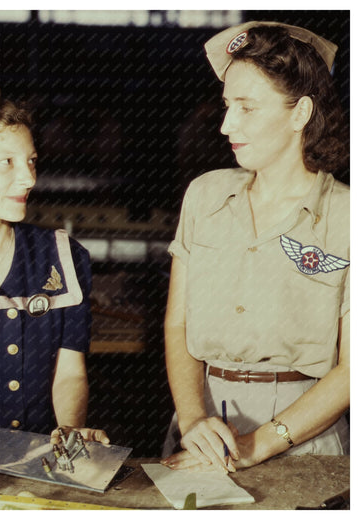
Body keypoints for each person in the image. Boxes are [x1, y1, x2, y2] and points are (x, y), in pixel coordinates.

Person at [160, 21, 350, 474]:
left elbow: (352, 370)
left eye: (246, 108)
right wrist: (192, 419)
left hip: (302, 442)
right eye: (227, 106)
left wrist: (259, 444)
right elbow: (178, 324)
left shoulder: (347, 216)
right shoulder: (204, 196)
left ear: (300, 113)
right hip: (201, 430)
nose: (227, 125)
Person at [0, 85, 109, 458]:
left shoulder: (62, 257)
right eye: (7, 162)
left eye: (31, 161)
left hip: (35, 464)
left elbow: (68, 372)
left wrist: (70, 432)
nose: (29, 179)